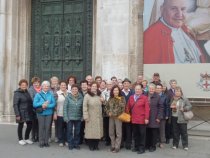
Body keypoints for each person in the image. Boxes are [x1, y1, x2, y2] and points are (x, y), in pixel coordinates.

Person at [127, 84, 150, 154]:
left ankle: (142, 148)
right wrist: (127, 115)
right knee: (135, 134)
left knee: (142, 135)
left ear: (141, 90)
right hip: (134, 119)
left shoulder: (144, 98)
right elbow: (128, 107)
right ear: (134, 90)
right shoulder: (131, 97)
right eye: (136, 89)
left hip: (142, 120)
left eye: (139, 89)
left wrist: (146, 118)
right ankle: (136, 147)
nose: (137, 90)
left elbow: (147, 109)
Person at [33, 81, 56, 148]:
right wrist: (42, 104)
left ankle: (46, 142)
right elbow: (34, 104)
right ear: (42, 87)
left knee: (47, 127)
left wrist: (47, 106)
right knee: (41, 127)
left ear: (49, 87)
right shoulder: (38, 94)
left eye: (47, 86)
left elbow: (53, 103)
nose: (46, 87)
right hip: (41, 113)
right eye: (45, 86)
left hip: (49, 113)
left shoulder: (51, 94)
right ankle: (41, 142)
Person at [83, 82, 103, 151]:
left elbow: (104, 103)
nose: (94, 87)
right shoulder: (87, 96)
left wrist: (103, 101)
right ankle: (91, 145)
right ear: (90, 87)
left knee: (97, 132)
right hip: (90, 116)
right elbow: (84, 107)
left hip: (98, 116)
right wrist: (86, 116)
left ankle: (96, 145)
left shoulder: (99, 95)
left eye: (95, 86)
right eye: (93, 86)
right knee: (91, 132)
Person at [105, 85, 126, 153]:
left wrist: (114, 113)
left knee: (118, 132)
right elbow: (106, 107)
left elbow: (122, 108)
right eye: (114, 90)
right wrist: (108, 112)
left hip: (118, 117)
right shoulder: (110, 98)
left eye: (117, 90)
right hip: (111, 117)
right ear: (112, 91)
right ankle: (113, 145)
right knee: (111, 132)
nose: (115, 91)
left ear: (119, 91)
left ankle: (117, 146)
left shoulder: (122, 98)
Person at [170, 86, 192, 151]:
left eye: (178, 91)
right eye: (176, 91)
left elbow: (190, 106)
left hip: (182, 118)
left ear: (181, 92)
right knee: (175, 132)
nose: (177, 92)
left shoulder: (184, 99)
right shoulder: (173, 98)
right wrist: (171, 106)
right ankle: (175, 144)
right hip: (174, 117)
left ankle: (185, 145)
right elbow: (170, 105)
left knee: (184, 132)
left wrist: (184, 109)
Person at [13, 79, 34, 145]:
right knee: (21, 125)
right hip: (21, 112)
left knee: (30, 125)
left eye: (25, 85)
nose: (24, 86)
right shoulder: (17, 93)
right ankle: (20, 139)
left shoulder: (27, 92)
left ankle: (26, 138)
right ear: (20, 85)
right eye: (22, 85)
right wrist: (17, 114)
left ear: (27, 86)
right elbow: (15, 104)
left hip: (29, 112)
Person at [63, 84, 83, 150]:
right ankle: (70, 144)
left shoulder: (81, 97)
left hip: (78, 117)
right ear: (71, 90)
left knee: (77, 132)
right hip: (69, 118)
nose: (74, 90)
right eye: (73, 89)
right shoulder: (68, 97)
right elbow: (65, 108)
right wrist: (66, 117)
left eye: (76, 89)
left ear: (78, 90)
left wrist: (82, 116)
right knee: (69, 131)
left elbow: (83, 107)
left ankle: (76, 144)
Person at [146, 83, 163, 152]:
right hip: (147, 117)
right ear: (148, 89)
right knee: (147, 132)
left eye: (153, 89)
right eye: (150, 88)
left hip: (154, 117)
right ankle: (147, 145)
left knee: (154, 133)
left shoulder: (158, 96)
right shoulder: (145, 95)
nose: (151, 90)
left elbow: (161, 107)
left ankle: (153, 146)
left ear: (155, 89)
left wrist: (159, 117)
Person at [156, 83, 170, 148]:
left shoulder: (165, 96)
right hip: (154, 115)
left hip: (162, 115)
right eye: (157, 88)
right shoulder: (154, 95)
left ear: (162, 89)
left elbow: (167, 106)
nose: (158, 89)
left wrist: (167, 115)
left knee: (162, 129)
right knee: (155, 129)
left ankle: (161, 142)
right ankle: (155, 141)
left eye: (159, 88)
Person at [121, 78, 134, 150]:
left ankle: (128, 144)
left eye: (127, 83)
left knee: (129, 129)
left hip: (130, 114)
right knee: (122, 129)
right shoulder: (120, 92)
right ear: (123, 84)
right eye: (125, 83)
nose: (126, 85)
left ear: (129, 84)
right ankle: (122, 143)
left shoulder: (132, 92)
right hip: (121, 114)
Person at [54, 81, 68, 147]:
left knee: (68, 128)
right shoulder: (57, 93)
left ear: (66, 86)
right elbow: (54, 104)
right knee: (60, 128)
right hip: (59, 113)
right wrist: (55, 113)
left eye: (64, 85)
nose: (63, 86)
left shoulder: (69, 93)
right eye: (62, 85)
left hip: (68, 114)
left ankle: (66, 140)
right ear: (59, 86)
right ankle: (61, 140)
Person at [28, 76, 41, 142]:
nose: (36, 84)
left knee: (39, 123)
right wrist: (39, 103)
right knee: (33, 124)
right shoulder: (31, 89)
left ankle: (38, 136)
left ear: (39, 83)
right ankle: (33, 136)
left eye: (37, 83)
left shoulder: (42, 89)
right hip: (33, 109)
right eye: (35, 83)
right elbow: (31, 99)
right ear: (33, 83)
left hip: (40, 109)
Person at [101, 80, 112, 146]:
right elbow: (103, 102)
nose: (109, 85)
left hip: (113, 112)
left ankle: (112, 140)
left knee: (112, 127)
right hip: (105, 113)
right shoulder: (103, 92)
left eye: (110, 84)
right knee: (106, 126)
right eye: (108, 84)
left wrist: (105, 102)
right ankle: (107, 140)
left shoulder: (114, 91)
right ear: (106, 85)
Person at [49, 76, 59, 143]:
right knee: (49, 123)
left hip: (57, 108)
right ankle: (49, 136)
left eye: (56, 80)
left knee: (57, 124)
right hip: (50, 108)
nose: (55, 82)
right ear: (51, 81)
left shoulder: (60, 87)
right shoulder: (48, 88)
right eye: (53, 80)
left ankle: (57, 136)